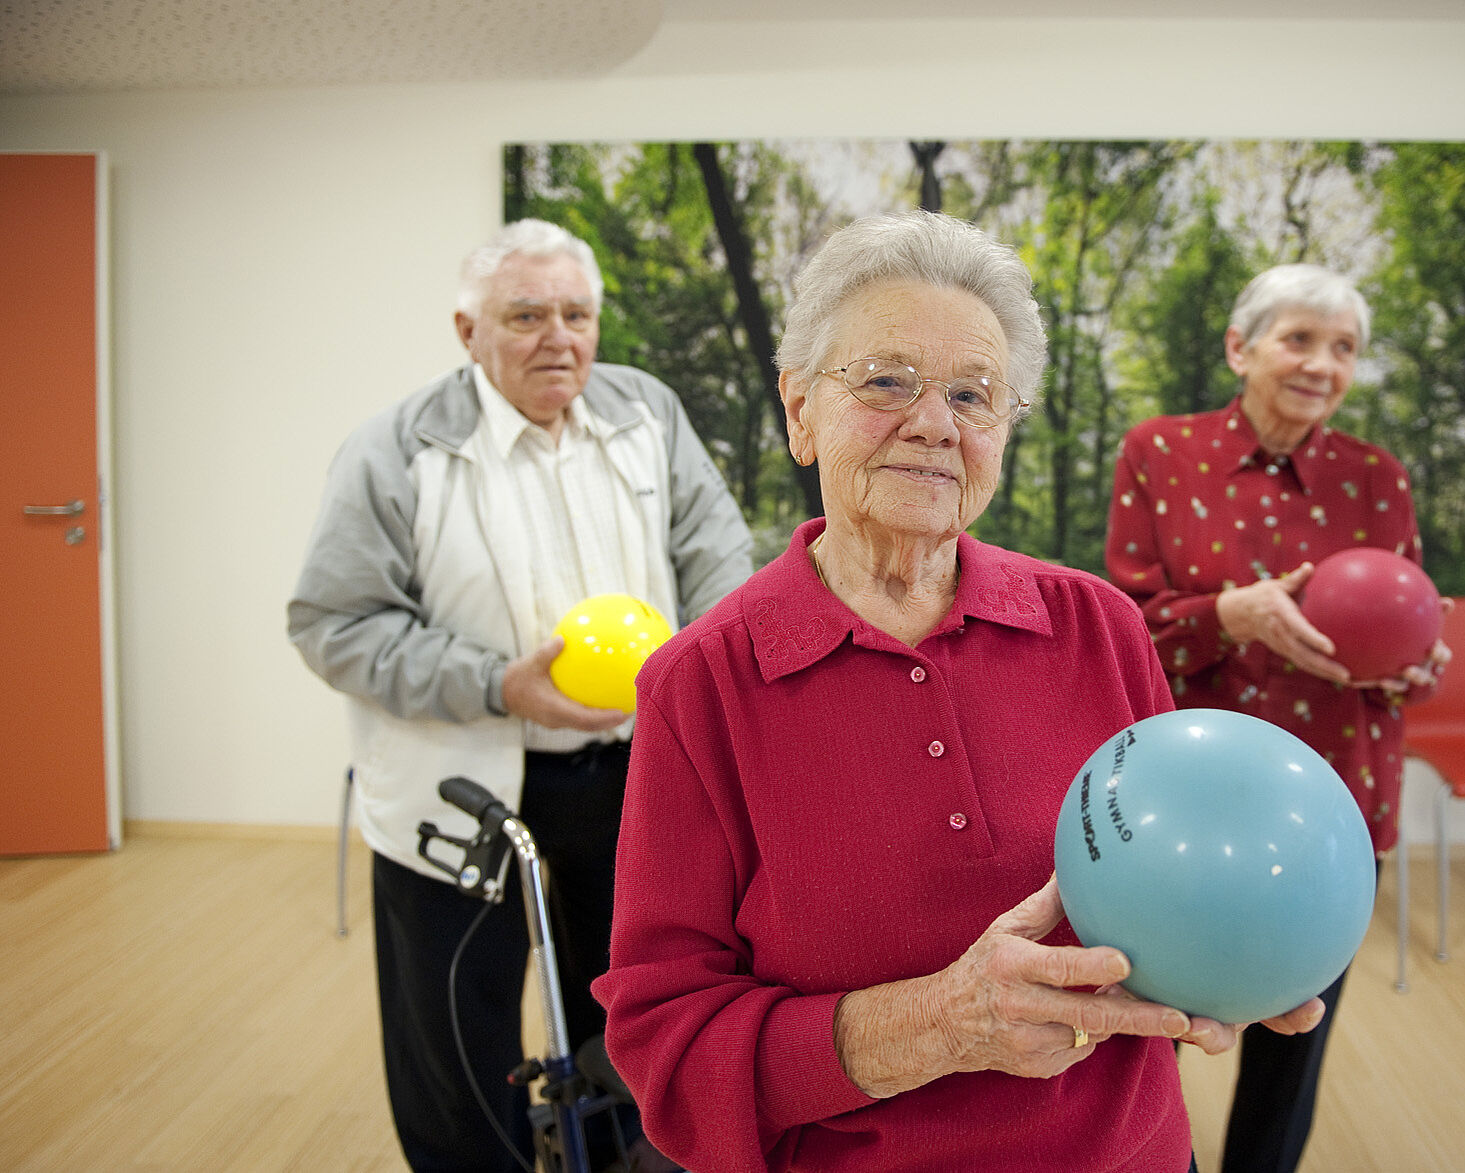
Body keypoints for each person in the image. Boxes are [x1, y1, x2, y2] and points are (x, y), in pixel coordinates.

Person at [591, 211, 1324, 1173]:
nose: (933, 422)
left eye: (973, 395)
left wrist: (1233, 950)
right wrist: (938, 1024)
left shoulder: (1097, 627)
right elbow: (666, 1049)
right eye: (886, 380)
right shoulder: (703, 683)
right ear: (800, 409)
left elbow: (1165, 885)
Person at [288, 218, 752, 1172]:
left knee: (632, 1012)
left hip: (637, 775)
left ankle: (628, 1158)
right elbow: (334, 623)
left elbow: (719, 555)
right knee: (461, 1038)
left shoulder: (646, 412)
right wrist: (498, 687)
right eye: (526, 315)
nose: (559, 337)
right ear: (468, 331)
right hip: (464, 796)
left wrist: (695, 670)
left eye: (576, 314)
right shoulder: (393, 449)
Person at [1105, 263, 1451, 1173]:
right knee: (1141, 1041)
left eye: (1343, 349)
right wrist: (1229, 611)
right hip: (1180, 811)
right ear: (1240, 347)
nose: (1321, 365)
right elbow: (1124, 627)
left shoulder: (1378, 479)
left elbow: (1408, 651)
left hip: (1332, 804)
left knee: (1293, 1048)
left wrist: (1418, 663)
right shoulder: (1158, 453)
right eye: (1298, 338)